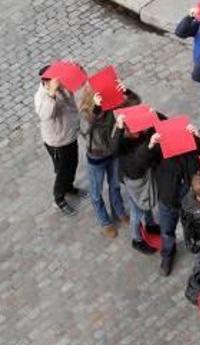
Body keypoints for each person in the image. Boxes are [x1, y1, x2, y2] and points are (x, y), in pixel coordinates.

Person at [134, 124, 200, 275]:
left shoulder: (190, 146)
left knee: (196, 229)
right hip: (168, 201)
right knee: (167, 231)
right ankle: (168, 255)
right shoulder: (159, 151)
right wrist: (150, 145)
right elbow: (138, 164)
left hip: (192, 202)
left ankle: (199, 249)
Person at [79, 84, 132, 238]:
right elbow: (85, 129)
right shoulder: (84, 113)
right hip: (96, 158)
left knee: (115, 186)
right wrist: (96, 108)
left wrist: (125, 91)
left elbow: (131, 103)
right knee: (96, 193)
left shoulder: (107, 107)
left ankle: (119, 211)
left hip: (111, 152)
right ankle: (105, 222)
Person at [113, 101, 163, 254]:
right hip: (134, 179)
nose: (140, 132)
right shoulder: (122, 144)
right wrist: (120, 129)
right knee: (137, 210)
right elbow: (117, 150)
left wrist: (155, 115)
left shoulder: (140, 133)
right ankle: (137, 239)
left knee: (144, 203)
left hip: (144, 175)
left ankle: (150, 224)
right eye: (135, 131)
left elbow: (161, 125)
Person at [34, 65, 85, 216]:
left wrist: (76, 70)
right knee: (62, 171)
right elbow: (45, 114)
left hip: (69, 135)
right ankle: (59, 198)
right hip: (57, 141)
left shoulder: (63, 87)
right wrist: (52, 94)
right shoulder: (42, 96)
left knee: (73, 163)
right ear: (46, 83)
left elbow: (79, 85)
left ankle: (69, 187)